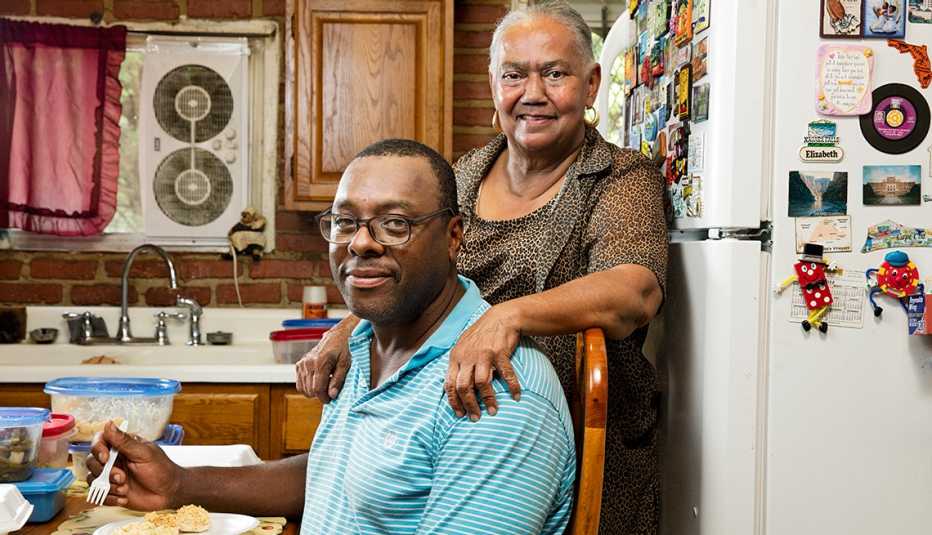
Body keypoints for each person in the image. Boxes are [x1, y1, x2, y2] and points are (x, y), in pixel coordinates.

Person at [297, 2, 668, 533]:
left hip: (565, 444)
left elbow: (634, 292)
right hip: (456, 421)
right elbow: (419, 275)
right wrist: (349, 329)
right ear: (494, 85)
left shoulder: (620, 177)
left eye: (555, 74)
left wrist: (506, 317)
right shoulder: (464, 174)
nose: (533, 93)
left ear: (591, 87)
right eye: (514, 75)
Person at [87, 140, 576, 534]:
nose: (361, 242)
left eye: (395, 224)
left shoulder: (498, 390)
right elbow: (337, 477)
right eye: (344, 222)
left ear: (452, 237)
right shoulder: (363, 344)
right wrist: (178, 482)